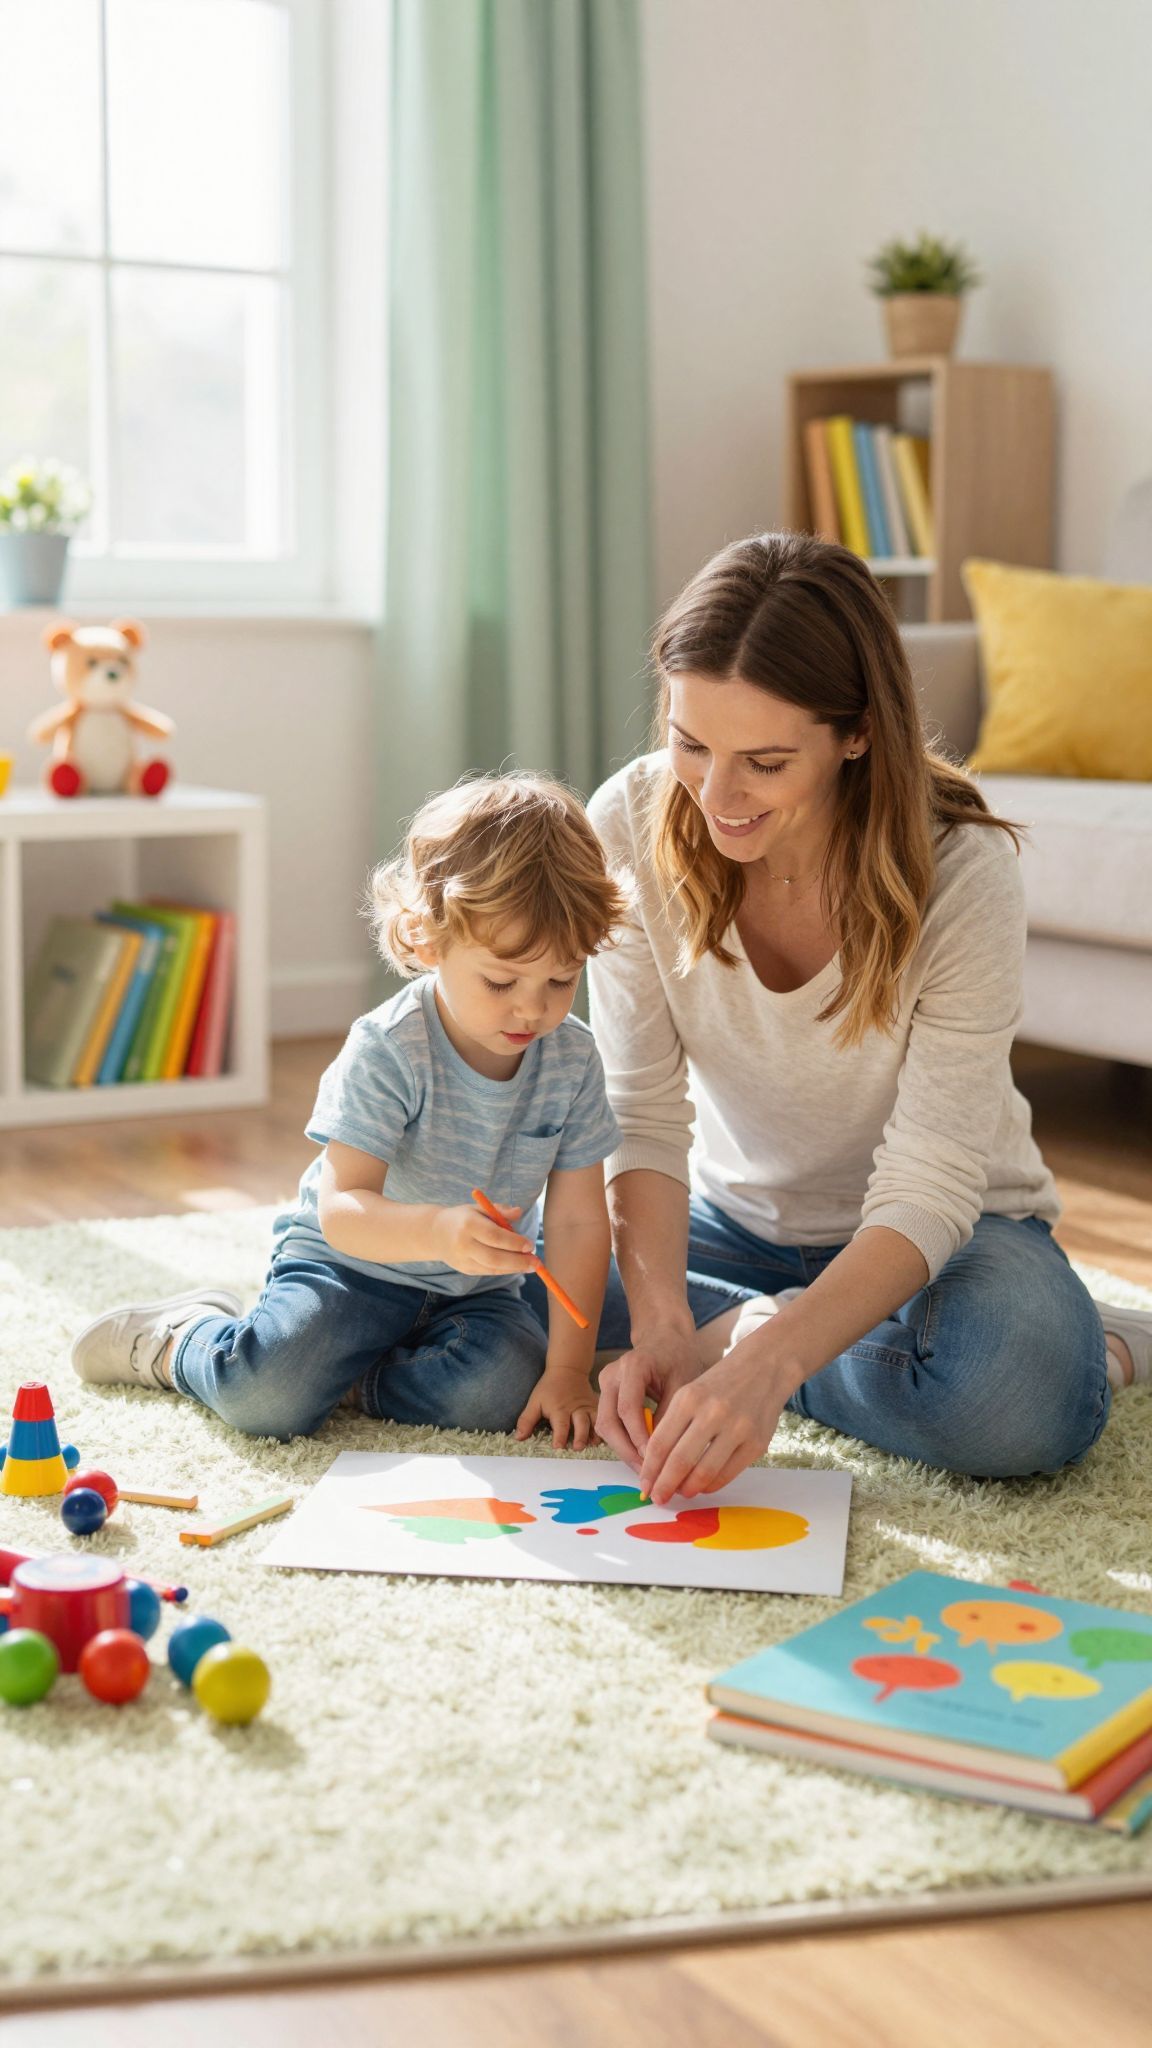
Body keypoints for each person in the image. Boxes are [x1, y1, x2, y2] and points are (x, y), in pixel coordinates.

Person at [583, 531, 1150, 1507]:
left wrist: (766, 1358)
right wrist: (668, 1321)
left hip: (948, 1236)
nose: (717, 795)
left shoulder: (960, 872)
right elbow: (638, 1112)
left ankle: (800, 1337)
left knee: (1011, 1395)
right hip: (732, 1219)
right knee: (510, 1315)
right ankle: (779, 1334)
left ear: (855, 733)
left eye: (763, 759)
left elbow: (930, 1183)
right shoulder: (629, 822)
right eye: (690, 742)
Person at [71, 774, 628, 1448]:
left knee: (504, 1388)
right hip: (348, 1270)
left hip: (474, 1294)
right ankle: (182, 1340)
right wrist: (438, 1234)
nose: (532, 1008)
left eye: (561, 980)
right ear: (428, 943)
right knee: (265, 1397)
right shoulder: (391, 1047)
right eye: (502, 981)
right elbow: (343, 1212)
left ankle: (350, 1379)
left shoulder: (571, 1060)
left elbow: (575, 1220)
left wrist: (569, 1370)